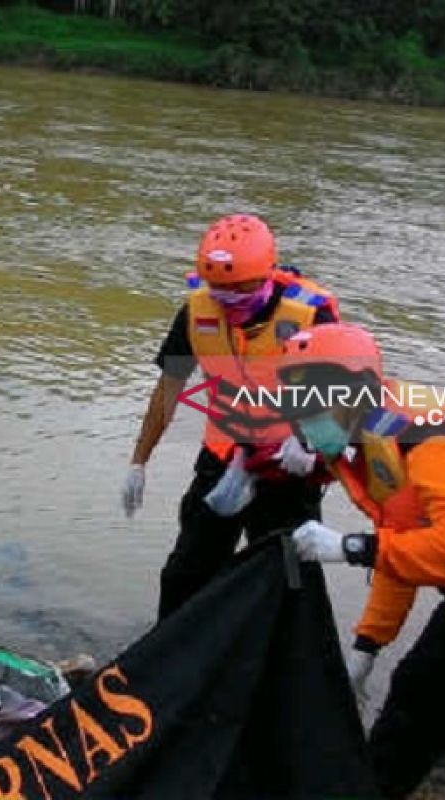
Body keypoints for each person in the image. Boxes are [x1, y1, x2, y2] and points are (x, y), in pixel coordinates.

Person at [283, 323, 445, 800]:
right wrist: (367, 645)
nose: (301, 421)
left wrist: (349, 547)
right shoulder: (374, 441)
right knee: (418, 695)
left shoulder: (428, 436)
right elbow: (404, 547)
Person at [122, 213, 340, 619]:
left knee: (289, 580)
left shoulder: (311, 315)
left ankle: (283, 670)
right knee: (185, 574)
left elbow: (349, 392)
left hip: (288, 468)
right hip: (222, 457)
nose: (229, 302)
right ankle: (171, 659)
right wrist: (139, 461)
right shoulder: (197, 311)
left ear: (268, 274)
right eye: (219, 291)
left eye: (240, 291)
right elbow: (168, 389)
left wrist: (311, 438)